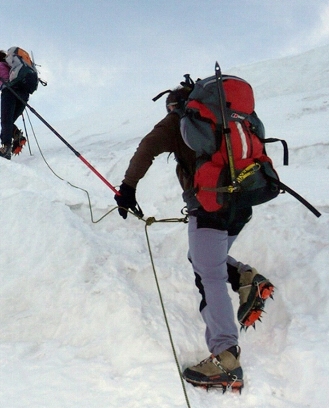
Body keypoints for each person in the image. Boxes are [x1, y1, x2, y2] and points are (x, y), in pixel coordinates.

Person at [114, 85, 274, 391]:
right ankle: (245, 277)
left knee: (208, 274)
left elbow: (146, 148)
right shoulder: (230, 119)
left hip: (210, 206)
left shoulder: (177, 120)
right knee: (204, 260)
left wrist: (128, 188)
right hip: (243, 203)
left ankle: (225, 356)